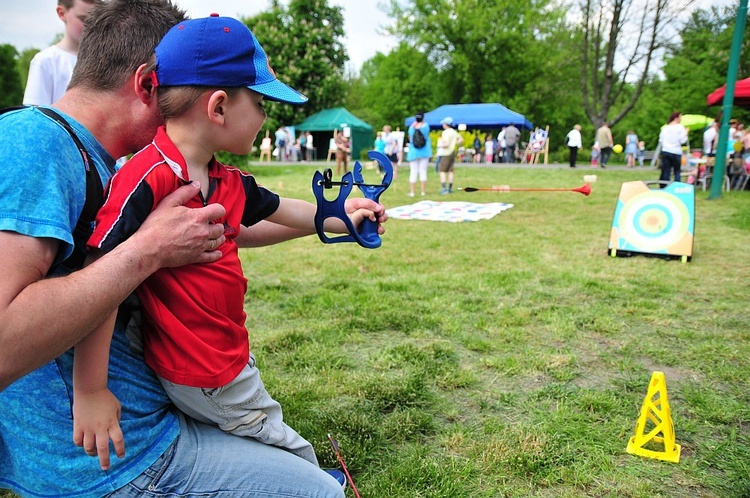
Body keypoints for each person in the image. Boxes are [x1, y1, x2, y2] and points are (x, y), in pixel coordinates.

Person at [0, 2, 383, 496]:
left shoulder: (123, 163)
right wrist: (147, 250)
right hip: (120, 461)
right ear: (148, 85)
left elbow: (217, 226)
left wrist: (332, 220)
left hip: (158, 415)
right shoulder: (36, 142)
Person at [23, 0, 100, 106]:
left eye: (97, 19)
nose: (92, 26)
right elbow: (35, 116)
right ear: (62, 13)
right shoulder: (45, 61)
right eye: (84, 19)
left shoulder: (104, 60)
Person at [657, 111, 688, 187]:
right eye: (680, 117)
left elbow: (661, 140)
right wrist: (686, 133)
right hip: (676, 151)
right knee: (677, 171)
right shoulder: (680, 127)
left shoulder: (665, 128)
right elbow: (682, 140)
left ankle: (664, 187)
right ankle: (676, 187)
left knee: (666, 171)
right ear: (676, 118)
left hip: (666, 150)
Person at [406, 112, 432, 197]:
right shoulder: (426, 126)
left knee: (413, 171)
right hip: (425, 151)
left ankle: (412, 192)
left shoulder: (411, 127)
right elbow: (426, 134)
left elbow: (410, 138)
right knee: (423, 170)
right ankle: (423, 191)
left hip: (413, 152)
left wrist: (414, 125)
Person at [436, 117, 463, 194]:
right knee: (451, 171)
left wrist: (440, 145)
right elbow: (461, 139)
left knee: (442, 171)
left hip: (445, 153)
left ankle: (444, 188)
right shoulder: (454, 132)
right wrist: (454, 143)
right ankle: (450, 188)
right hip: (452, 152)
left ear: (446, 124)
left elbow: (446, 144)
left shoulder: (445, 132)